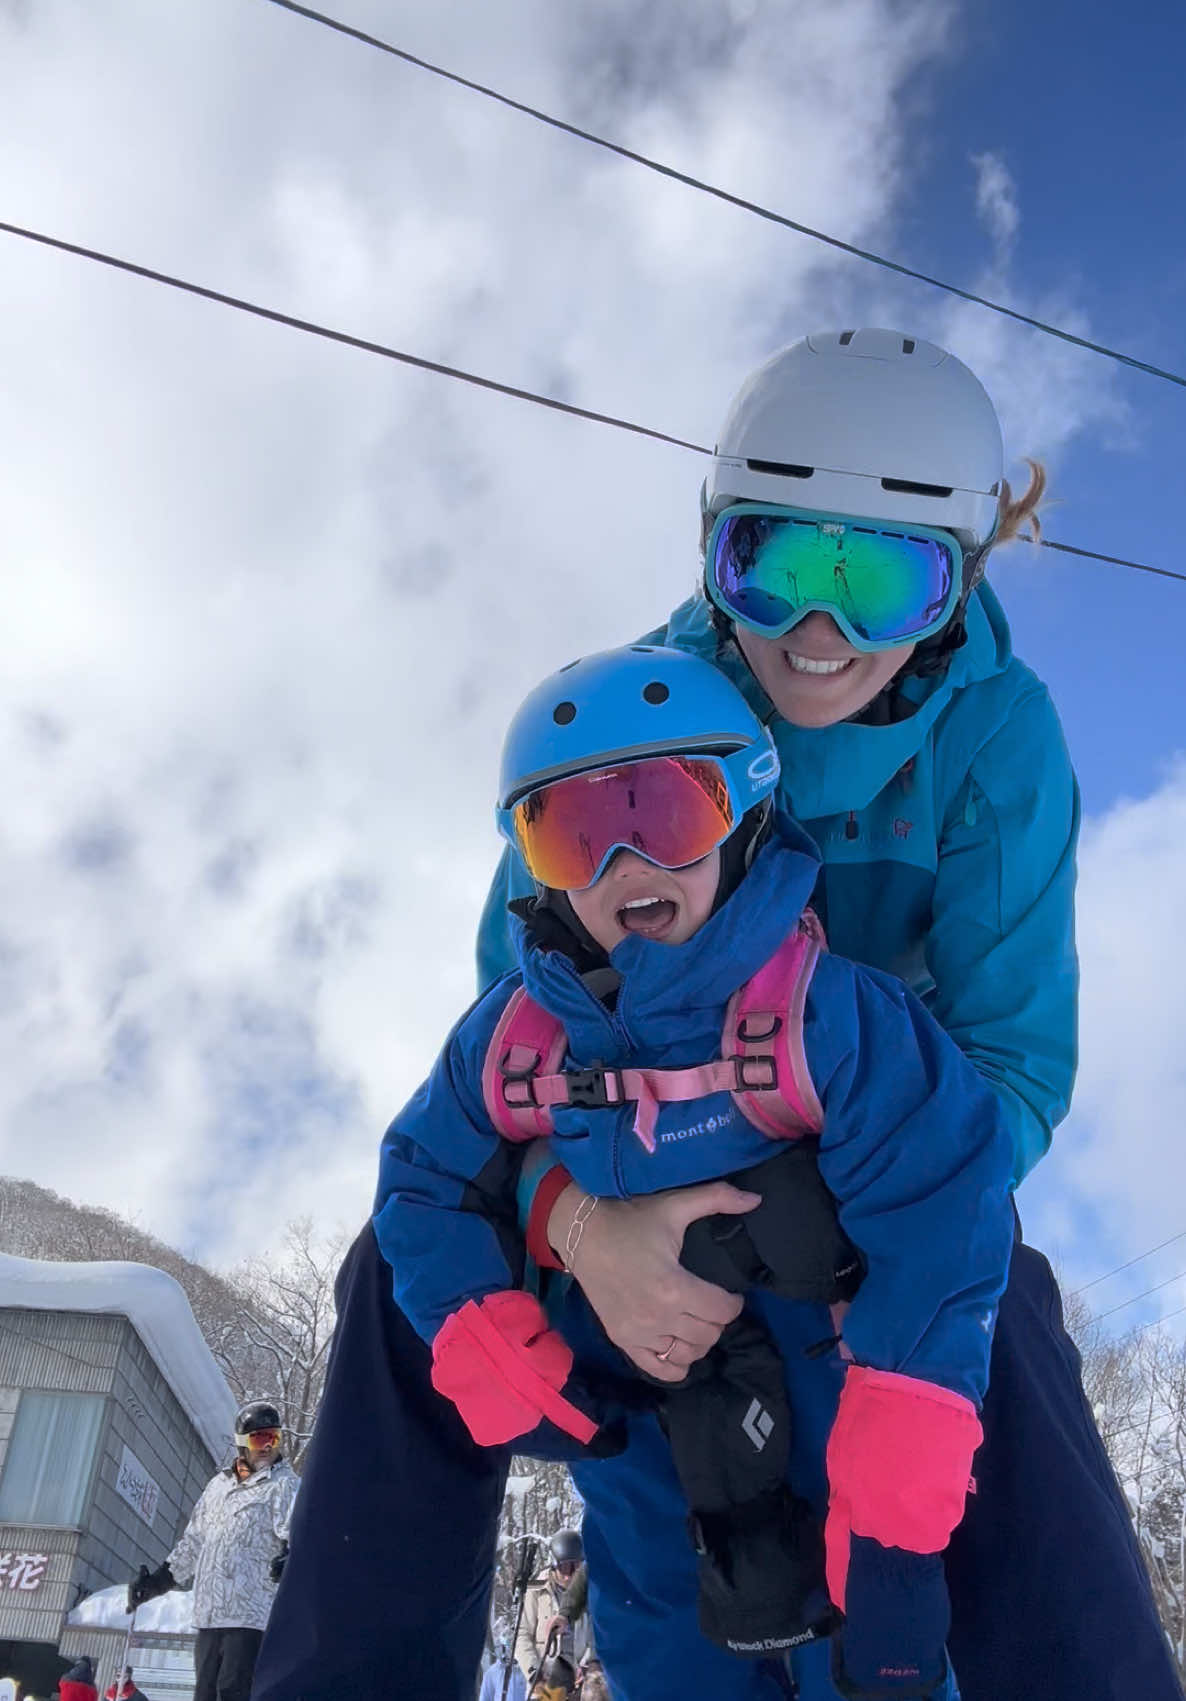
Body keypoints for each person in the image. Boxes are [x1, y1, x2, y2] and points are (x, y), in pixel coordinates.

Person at [252, 329, 1179, 1701]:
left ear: (958, 581)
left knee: (1008, 1305)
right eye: (779, 566)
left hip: (862, 1186)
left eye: (879, 580)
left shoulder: (994, 739)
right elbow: (513, 1034)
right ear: (712, 550)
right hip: (617, 1167)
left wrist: (822, 1205)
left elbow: (1010, 1067)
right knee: (398, 1280)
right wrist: (586, 1225)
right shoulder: (616, 738)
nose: (818, 632)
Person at [373, 640, 1016, 1697]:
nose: (627, 865)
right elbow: (420, 1180)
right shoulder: (519, 1039)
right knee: (661, 1636)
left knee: (871, 1636)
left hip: (828, 1388)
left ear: (743, 815)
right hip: (637, 1396)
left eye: (668, 814)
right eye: (573, 834)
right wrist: (490, 1340)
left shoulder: (820, 1011)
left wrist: (904, 1419)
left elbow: (943, 1191)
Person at [127, 1400, 298, 1701]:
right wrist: (156, 1582)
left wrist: (291, 1559)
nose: (267, 1446)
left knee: (233, 1690)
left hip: (250, 1613)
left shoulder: (284, 1485)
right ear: (242, 1443)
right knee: (204, 1694)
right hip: (210, 1613)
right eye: (260, 1438)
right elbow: (193, 1542)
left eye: (274, 1437)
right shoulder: (218, 1486)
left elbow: (298, 1533)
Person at [514, 1532, 590, 1682]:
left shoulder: (591, 1592)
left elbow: (600, 1634)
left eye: (575, 1567)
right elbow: (522, 1634)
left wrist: (588, 1665)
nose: (569, 1575)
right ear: (554, 1565)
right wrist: (533, 1671)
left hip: (580, 1680)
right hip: (545, 1680)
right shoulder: (537, 1589)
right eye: (564, 1568)